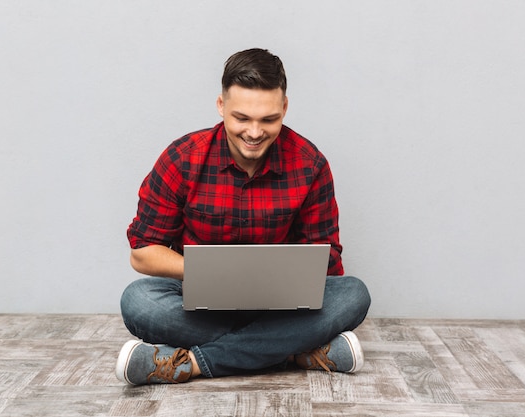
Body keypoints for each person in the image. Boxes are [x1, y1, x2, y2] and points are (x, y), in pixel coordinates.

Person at [116, 48, 371, 385]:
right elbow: (143, 252)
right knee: (139, 301)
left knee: (353, 294)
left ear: (284, 108)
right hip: (199, 306)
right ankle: (294, 351)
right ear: (221, 106)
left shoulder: (310, 164)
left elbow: (329, 265)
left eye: (268, 119)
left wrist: (280, 278)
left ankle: (189, 363)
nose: (254, 132)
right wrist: (214, 272)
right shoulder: (182, 158)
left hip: (281, 308)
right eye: (242, 118)